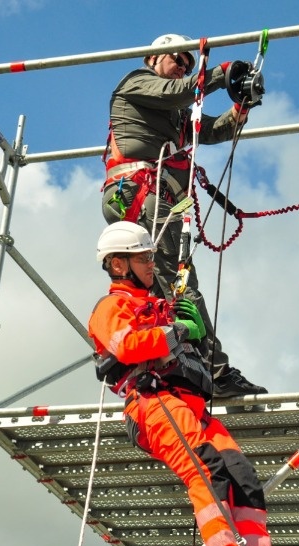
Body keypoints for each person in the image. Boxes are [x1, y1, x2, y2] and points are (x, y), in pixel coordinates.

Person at [88, 221, 299, 546]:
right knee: (206, 471)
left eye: (151, 256)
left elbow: (179, 343)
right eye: (143, 257)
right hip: (154, 401)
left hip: (192, 406)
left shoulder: (159, 307)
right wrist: (179, 328)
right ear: (118, 264)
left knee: (243, 477)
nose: (152, 263)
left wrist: (184, 325)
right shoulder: (111, 308)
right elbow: (126, 346)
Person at [100, 33, 266, 399]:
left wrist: (242, 105)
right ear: (154, 59)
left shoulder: (176, 113)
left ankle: (177, 364)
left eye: (189, 63)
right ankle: (215, 371)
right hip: (142, 193)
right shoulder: (136, 83)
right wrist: (223, 73)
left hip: (158, 199)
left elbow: (213, 129)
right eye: (178, 59)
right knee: (180, 286)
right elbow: (181, 91)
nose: (184, 67)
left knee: (167, 289)